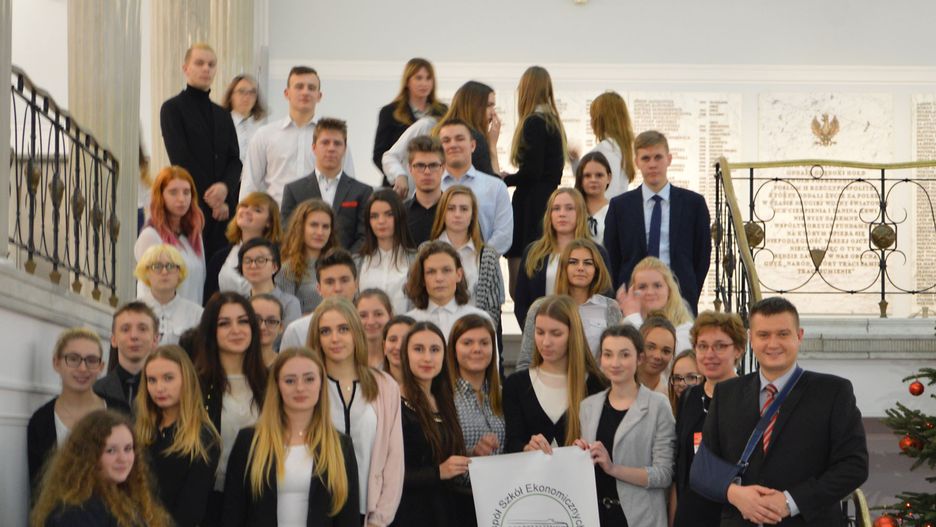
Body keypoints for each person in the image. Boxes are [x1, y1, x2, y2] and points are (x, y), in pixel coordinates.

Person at [697, 297, 869, 526]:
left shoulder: (833, 392)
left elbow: (854, 466)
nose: (773, 343)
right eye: (763, 335)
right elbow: (702, 468)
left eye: (783, 334)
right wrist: (735, 494)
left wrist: (791, 501)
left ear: (799, 336)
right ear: (751, 339)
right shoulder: (726, 393)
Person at [221, 348, 360, 526]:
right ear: (277, 386)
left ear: (321, 384)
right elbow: (232, 512)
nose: (300, 388)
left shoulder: (341, 445)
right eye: (290, 381)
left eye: (309, 379)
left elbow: (348, 518)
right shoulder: (249, 441)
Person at [307, 298, 405, 526]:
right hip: (316, 510)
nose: (335, 338)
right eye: (325, 331)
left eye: (343, 329)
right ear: (317, 338)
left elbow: (394, 460)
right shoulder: (307, 385)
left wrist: (379, 519)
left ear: (356, 333)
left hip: (368, 511)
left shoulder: (385, 386)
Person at [576, 324, 675, 527]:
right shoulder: (588, 407)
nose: (615, 363)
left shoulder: (658, 405)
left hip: (642, 518)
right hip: (596, 516)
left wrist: (613, 468)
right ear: (600, 359)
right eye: (608, 354)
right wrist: (579, 455)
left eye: (624, 355)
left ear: (639, 358)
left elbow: (664, 474)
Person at [604, 130, 711, 315]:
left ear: (669, 159)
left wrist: (689, 289)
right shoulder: (620, 206)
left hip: (680, 297)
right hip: (633, 299)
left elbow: (702, 256)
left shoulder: (694, 204)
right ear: (637, 162)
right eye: (645, 158)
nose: (652, 164)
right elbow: (612, 256)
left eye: (658, 157)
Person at [160, 43, 242, 259]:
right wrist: (213, 198)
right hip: (192, 206)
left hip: (225, 210)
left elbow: (235, 160)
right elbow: (180, 159)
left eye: (211, 64)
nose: (206, 68)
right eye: (199, 63)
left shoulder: (223, 114)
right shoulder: (172, 108)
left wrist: (225, 189)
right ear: (186, 68)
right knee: (193, 267)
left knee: (223, 269)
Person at [193, 292, 268, 523]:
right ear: (211, 332)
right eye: (224, 323)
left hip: (260, 499)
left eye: (243, 321)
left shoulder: (271, 383)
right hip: (210, 502)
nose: (236, 330)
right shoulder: (195, 384)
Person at [28, 328, 129, 495]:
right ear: (56, 363)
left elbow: (134, 475)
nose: (83, 368)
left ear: (101, 366)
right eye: (73, 359)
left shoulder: (120, 411)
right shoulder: (41, 421)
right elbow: (39, 490)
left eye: (91, 360)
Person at [30, 410, 171, 527]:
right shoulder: (77, 511)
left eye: (128, 449)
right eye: (111, 451)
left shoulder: (128, 499)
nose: (123, 458)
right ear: (88, 456)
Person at [503, 295, 606, 453]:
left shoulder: (598, 384)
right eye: (540, 332)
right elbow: (511, 443)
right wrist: (526, 448)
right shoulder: (516, 385)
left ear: (573, 335)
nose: (546, 342)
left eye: (556, 334)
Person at [240, 66, 354, 204]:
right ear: (287, 93)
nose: (305, 92)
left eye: (311, 88)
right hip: (277, 214)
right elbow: (249, 184)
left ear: (319, 96)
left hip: (320, 214)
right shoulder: (264, 135)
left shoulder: (334, 140)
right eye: (299, 87)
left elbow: (348, 184)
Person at [391, 322, 468, 526]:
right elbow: (390, 474)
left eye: (435, 350)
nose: (427, 358)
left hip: (446, 509)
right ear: (405, 355)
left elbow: (440, 455)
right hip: (410, 514)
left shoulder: (444, 399)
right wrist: (438, 472)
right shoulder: (394, 405)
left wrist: (470, 454)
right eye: (418, 349)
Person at [671, 311, 744, 527]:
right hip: (691, 516)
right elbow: (681, 467)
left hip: (732, 517)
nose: (709, 354)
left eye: (720, 346)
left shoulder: (750, 397)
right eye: (702, 346)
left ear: (738, 350)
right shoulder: (689, 397)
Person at [136, 345, 221, 527]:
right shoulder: (138, 429)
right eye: (152, 380)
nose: (159, 388)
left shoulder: (204, 439)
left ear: (186, 379)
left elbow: (189, 514)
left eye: (168, 378)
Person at [502, 66, 568, 296]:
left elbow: (532, 171)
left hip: (530, 204)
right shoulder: (553, 122)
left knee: (522, 281)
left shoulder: (534, 122)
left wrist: (506, 179)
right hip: (545, 200)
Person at [517, 238, 621, 369]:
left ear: (597, 270)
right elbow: (526, 362)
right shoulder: (540, 307)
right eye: (573, 262)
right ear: (563, 267)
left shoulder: (610, 307)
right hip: (550, 380)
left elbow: (617, 358)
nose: (580, 268)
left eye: (588, 263)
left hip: (597, 380)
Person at [514, 187, 611, 328]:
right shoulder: (533, 252)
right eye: (556, 208)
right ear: (549, 214)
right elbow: (522, 302)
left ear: (580, 213)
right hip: (544, 334)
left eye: (569, 208)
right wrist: (535, 333)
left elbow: (605, 296)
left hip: (587, 332)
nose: (562, 214)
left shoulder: (597, 253)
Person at [383, 81, 499, 198]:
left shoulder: (476, 139)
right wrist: (400, 175)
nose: (493, 112)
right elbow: (494, 192)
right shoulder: (428, 126)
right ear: (474, 105)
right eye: (489, 105)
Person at [280, 118, 373, 252]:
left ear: (344, 149)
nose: (331, 148)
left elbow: (364, 236)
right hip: (303, 262)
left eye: (337, 143)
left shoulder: (363, 191)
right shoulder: (293, 190)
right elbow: (288, 233)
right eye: (325, 142)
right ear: (314, 147)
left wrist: (343, 261)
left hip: (348, 262)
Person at [430, 184, 505, 325]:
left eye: (464, 209)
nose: (457, 214)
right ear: (442, 213)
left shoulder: (487, 256)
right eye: (451, 208)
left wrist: (476, 333)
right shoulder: (426, 251)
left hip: (475, 332)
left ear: (472, 215)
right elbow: (418, 299)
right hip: (435, 332)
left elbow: (493, 309)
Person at [438, 118, 513, 255]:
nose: (453, 145)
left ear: (472, 145)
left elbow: (504, 235)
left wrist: (475, 258)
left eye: (459, 139)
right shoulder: (431, 188)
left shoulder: (496, 187)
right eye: (446, 140)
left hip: (483, 264)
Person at [136, 166, 207, 305]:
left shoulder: (194, 236)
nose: (181, 199)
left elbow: (200, 282)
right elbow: (148, 286)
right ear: (161, 196)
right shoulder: (150, 235)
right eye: (173, 192)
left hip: (193, 315)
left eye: (186, 192)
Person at [373, 58, 448, 187]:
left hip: (434, 182)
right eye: (418, 78)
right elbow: (379, 154)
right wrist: (398, 175)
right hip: (399, 185)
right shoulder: (389, 112)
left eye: (428, 78)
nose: (424, 83)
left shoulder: (442, 112)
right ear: (407, 81)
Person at [404, 240, 493, 343]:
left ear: (458, 274)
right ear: (422, 278)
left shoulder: (479, 319)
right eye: (431, 272)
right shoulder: (409, 323)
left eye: (446, 270)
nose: (439, 278)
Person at [205, 191, 282, 300]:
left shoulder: (280, 256)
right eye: (244, 206)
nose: (247, 211)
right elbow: (208, 298)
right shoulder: (220, 256)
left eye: (257, 210)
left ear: (269, 222)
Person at [447, 315, 504, 457]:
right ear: (454, 350)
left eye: (484, 343)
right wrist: (472, 453)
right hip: (464, 472)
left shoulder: (504, 395)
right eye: (467, 343)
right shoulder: (443, 397)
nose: (477, 349)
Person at [280, 248, 359, 349]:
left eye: (344, 280)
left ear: (356, 285)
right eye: (329, 282)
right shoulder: (297, 331)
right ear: (319, 288)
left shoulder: (369, 325)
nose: (338, 288)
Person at [357, 189, 416, 315]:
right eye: (374, 216)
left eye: (389, 214)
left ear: (399, 217)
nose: (381, 221)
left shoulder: (416, 260)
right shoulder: (357, 262)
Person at [617, 256, 694, 352]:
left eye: (657, 286)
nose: (650, 292)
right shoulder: (626, 323)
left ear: (669, 290)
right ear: (632, 292)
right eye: (642, 287)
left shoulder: (685, 329)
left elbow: (650, 355)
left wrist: (632, 318)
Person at [94, 302, 161, 410]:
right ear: (113, 340)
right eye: (125, 329)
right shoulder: (96, 392)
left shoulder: (164, 393)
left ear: (155, 339)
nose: (134, 336)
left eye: (142, 329)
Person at [277, 198, 339, 314]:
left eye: (325, 226)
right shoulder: (287, 270)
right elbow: (287, 315)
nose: (320, 232)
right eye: (314, 225)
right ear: (300, 227)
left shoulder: (340, 264)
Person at [135, 244, 204, 345]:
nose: (164, 272)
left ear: (179, 273)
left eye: (171, 266)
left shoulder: (196, 314)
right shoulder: (133, 311)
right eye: (157, 266)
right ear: (146, 273)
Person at [577, 91, 636, 200]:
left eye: (592, 117)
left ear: (600, 119)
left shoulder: (605, 150)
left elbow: (605, 193)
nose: (591, 123)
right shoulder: (623, 149)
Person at [237, 237, 302, 329]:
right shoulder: (239, 302)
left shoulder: (289, 303)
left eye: (261, 260)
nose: (253, 266)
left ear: (275, 267)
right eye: (247, 261)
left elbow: (289, 336)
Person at [403, 136, 445, 245]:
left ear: (443, 168)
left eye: (433, 165)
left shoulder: (458, 211)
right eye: (420, 165)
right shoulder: (400, 214)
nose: (427, 172)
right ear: (410, 169)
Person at [221, 74, 267, 164]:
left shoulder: (261, 129)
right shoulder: (221, 125)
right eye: (241, 91)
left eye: (252, 92)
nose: (247, 97)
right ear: (231, 96)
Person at [574, 151, 613, 244]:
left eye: (599, 175)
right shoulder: (572, 208)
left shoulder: (615, 209)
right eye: (587, 176)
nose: (593, 180)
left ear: (609, 178)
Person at [638, 314, 678, 395]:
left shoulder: (672, 396)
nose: (657, 356)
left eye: (666, 351)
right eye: (651, 347)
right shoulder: (615, 385)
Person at [357, 289, 394, 369]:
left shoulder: (400, 358)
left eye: (378, 314)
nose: (371, 322)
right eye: (363, 315)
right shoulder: (347, 360)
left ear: (390, 316)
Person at [251, 293, 285, 366]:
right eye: (256, 320)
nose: (262, 327)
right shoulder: (231, 365)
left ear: (281, 327)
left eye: (271, 321)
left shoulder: (287, 366)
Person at [382, 315, 415, 385]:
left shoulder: (431, 386)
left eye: (405, 340)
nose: (398, 347)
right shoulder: (372, 385)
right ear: (384, 346)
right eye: (393, 340)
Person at [668, 349, 701, 416]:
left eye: (691, 377)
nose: (681, 384)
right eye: (677, 378)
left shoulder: (714, 416)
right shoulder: (667, 414)